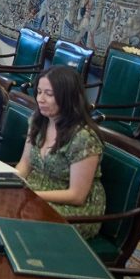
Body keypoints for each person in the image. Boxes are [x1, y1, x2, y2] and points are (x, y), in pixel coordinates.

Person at [15, 66, 105, 238]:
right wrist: (9, 185)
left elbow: (76, 195)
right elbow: (24, 165)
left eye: (49, 94)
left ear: (68, 97)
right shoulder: (37, 121)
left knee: (19, 222)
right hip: (34, 193)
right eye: (39, 92)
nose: (40, 99)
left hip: (72, 208)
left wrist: (29, 196)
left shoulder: (83, 137)